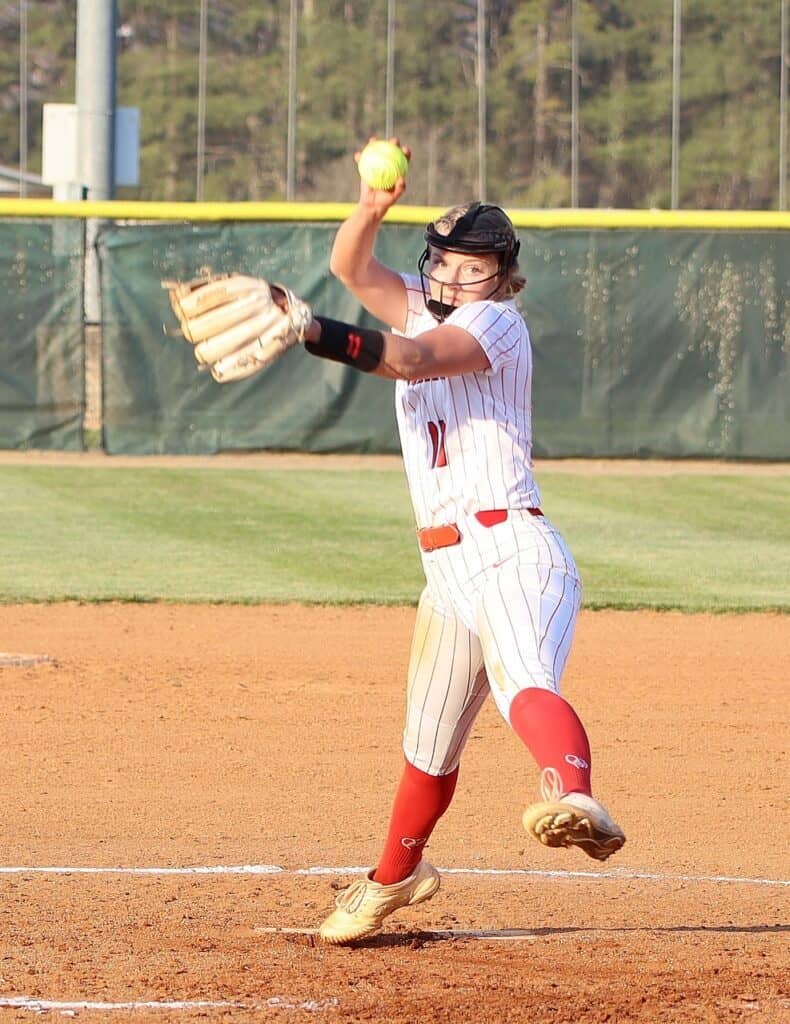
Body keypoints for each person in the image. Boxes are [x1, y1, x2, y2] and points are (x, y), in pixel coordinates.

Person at [294, 141, 626, 944]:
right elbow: (350, 266)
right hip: (446, 575)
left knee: (524, 683)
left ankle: (575, 796)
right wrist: (371, 208)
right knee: (427, 747)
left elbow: (408, 362)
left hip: (512, 549)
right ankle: (392, 880)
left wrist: (308, 330)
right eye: (442, 261)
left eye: (470, 266)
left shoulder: (497, 324)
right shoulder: (421, 299)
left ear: (502, 275)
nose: (451, 277)